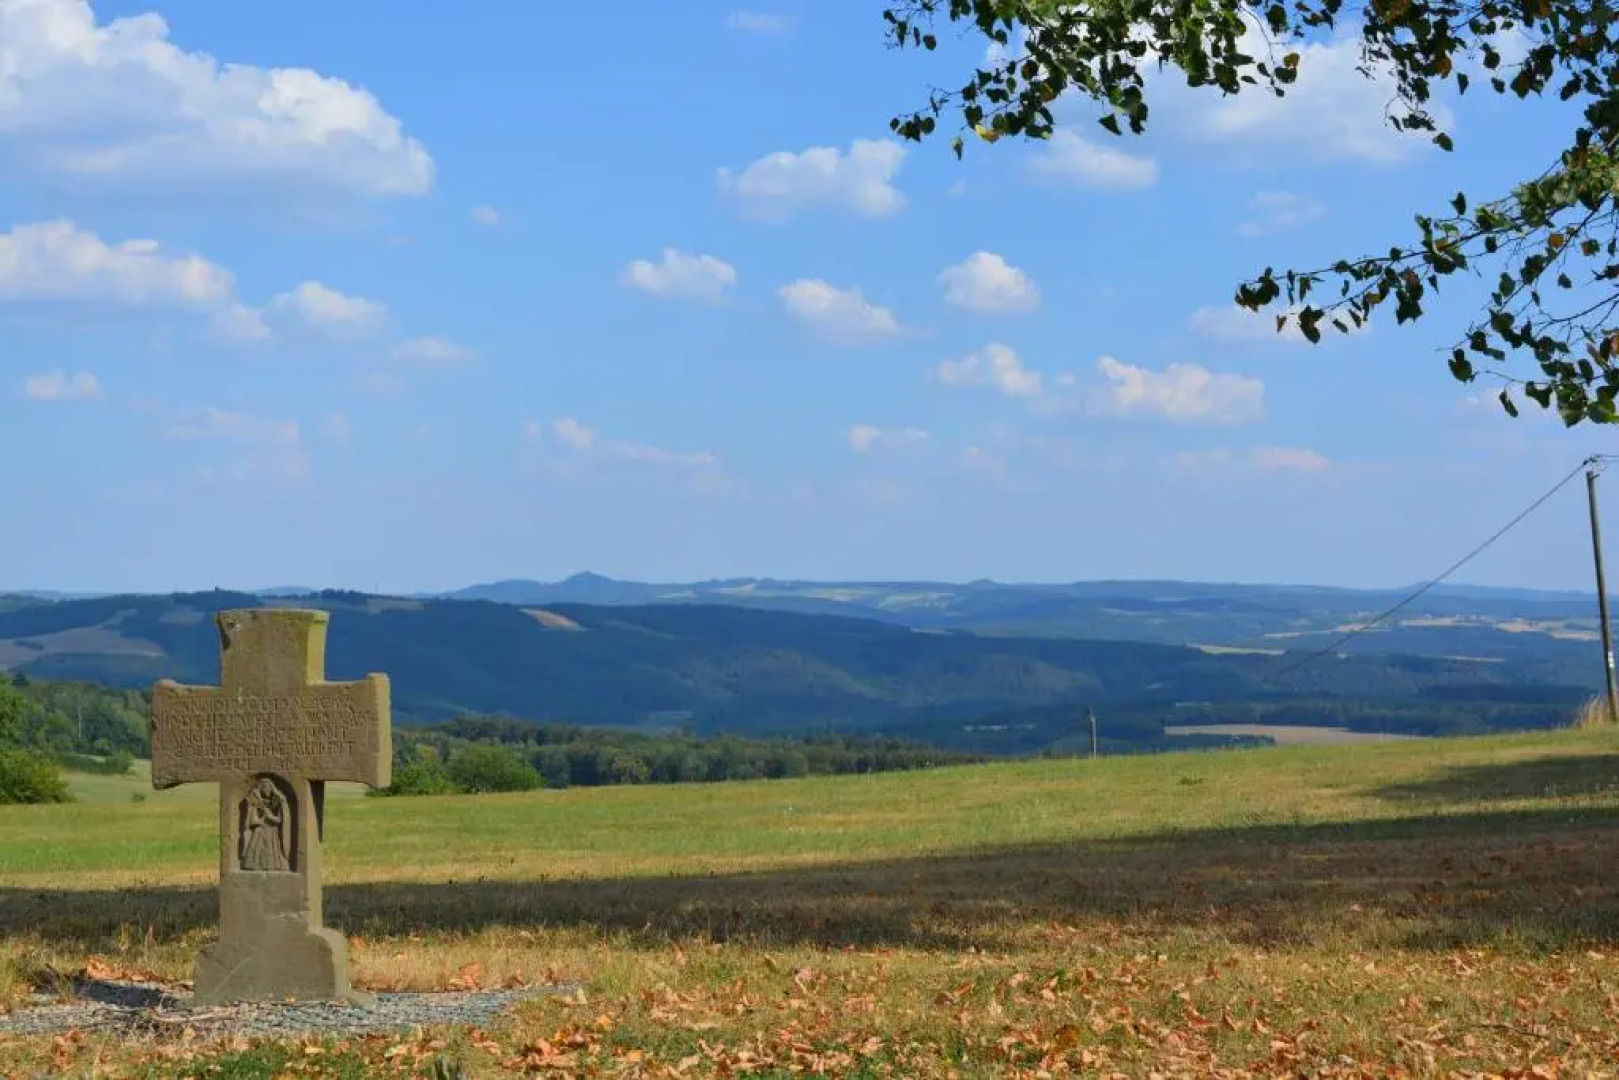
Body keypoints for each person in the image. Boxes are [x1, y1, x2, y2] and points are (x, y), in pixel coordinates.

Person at [240, 776, 289, 871]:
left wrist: (270, 816)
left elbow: (279, 820)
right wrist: (262, 819)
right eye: (264, 788)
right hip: (259, 832)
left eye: (268, 788)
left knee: (271, 856)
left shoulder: (276, 802)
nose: (266, 790)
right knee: (256, 855)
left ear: (272, 788)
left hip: (271, 832)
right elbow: (252, 822)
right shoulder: (255, 804)